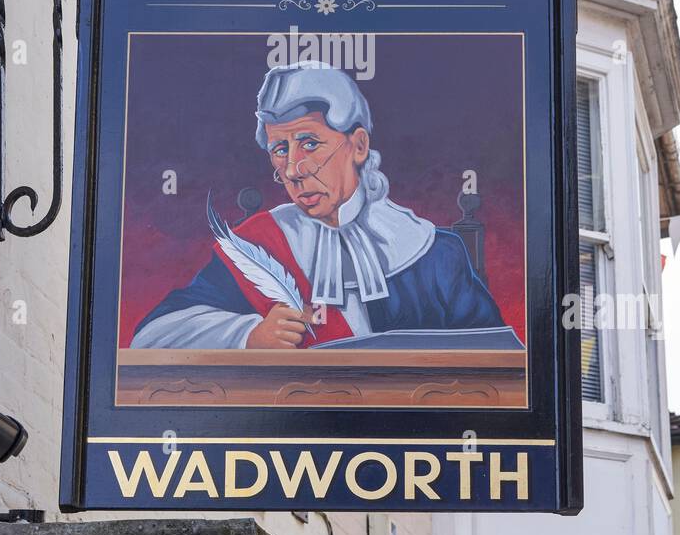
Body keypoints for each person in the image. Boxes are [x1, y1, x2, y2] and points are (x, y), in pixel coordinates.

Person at [132, 61, 511, 349]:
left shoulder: (435, 254)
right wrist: (248, 334)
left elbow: (502, 366)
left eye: (309, 142)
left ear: (358, 145)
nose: (294, 169)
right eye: (280, 149)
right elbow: (151, 337)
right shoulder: (258, 245)